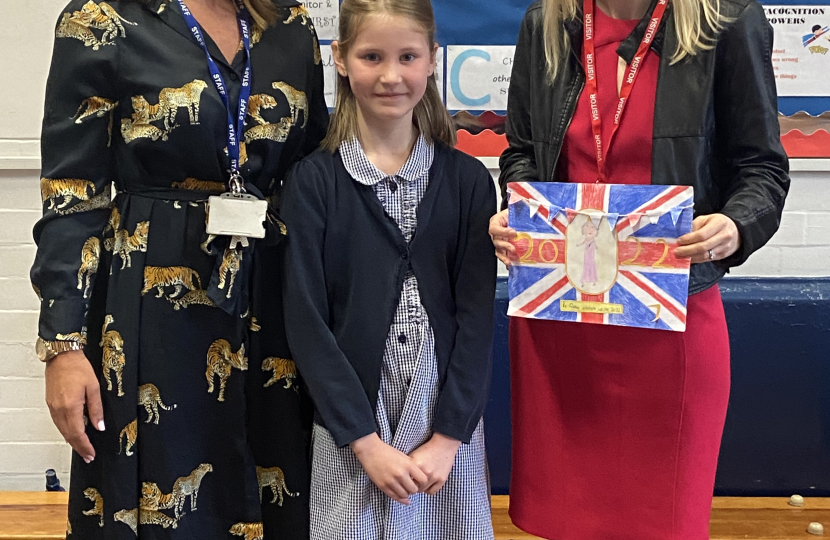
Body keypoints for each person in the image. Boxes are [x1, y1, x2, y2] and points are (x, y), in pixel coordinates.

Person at [489, 0, 789, 538]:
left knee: (664, 521)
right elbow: (521, 152)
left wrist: (735, 226)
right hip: (562, 319)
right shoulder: (548, 25)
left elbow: (761, 168)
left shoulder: (727, 20)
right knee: (565, 518)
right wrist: (517, 210)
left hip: (668, 322)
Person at [31, 0, 327, 537]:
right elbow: (72, 194)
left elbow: (317, 168)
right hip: (150, 302)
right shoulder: (103, 19)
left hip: (271, 296)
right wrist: (63, 346)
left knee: (276, 483)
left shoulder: (291, 23)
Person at [280, 0, 497, 538]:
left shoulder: (469, 182)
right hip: (352, 427)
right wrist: (363, 441)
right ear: (341, 59)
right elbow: (307, 321)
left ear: (432, 60)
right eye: (372, 56)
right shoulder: (313, 183)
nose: (391, 75)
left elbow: (475, 319)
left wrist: (449, 437)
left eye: (408, 56)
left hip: (442, 429)